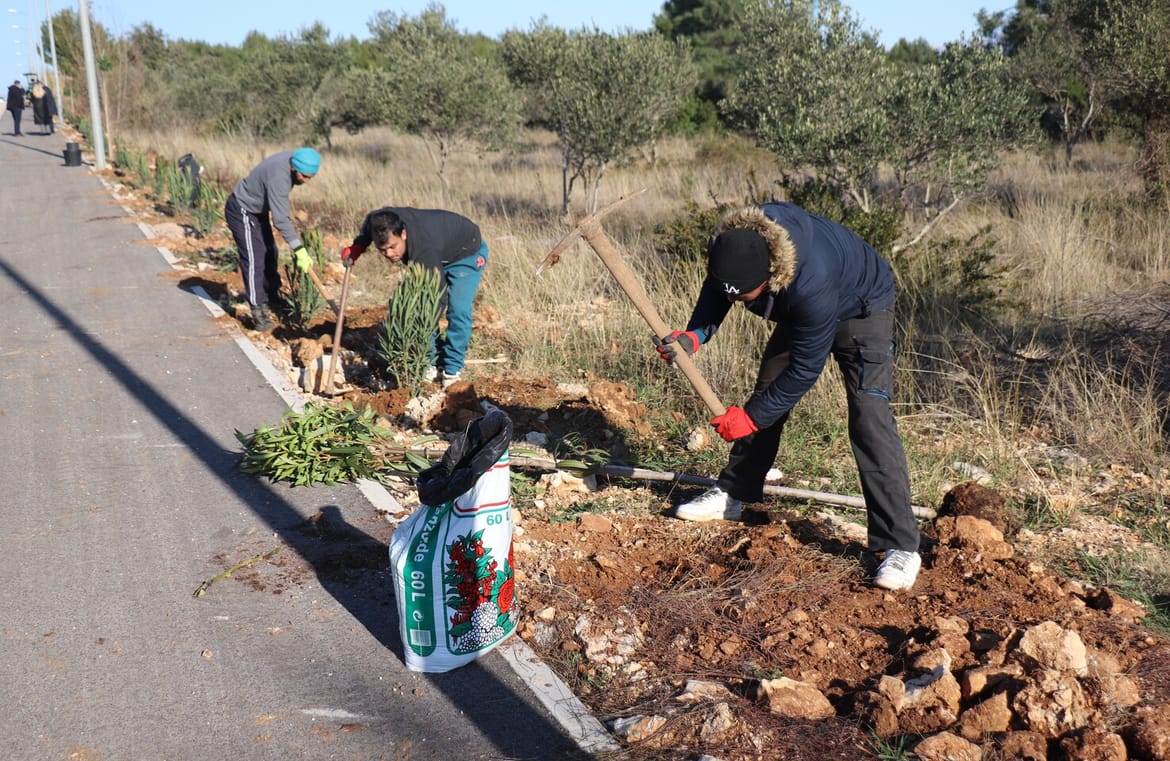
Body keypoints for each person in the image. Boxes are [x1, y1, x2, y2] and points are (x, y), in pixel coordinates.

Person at [656, 202, 923, 590]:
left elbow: (804, 370)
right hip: (803, 301)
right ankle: (734, 492)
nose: (741, 304)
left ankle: (901, 545)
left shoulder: (811, 279)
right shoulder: (734, 245)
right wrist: (696, 334)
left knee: (869, 416)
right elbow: (719, 289)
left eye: (747, 297)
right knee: (767, 391)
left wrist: (749, 419)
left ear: (771, 275)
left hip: (861, 307)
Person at [341, 207, 487, 386]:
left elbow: (437, 298)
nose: (389, 254)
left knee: (457, 310)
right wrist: (359, 245)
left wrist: (417, 327)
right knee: (420, 307)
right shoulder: (382, 222)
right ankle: (433, 362)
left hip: (466, 254)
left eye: (393, 247)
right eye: (382, 250)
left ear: (403, 234)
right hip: (439, 249)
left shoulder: (423, 248)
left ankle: (452, 370)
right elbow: (371, 218)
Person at [223, 147, 321, 330]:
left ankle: (272, 296)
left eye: (311, 177)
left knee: (270, 252)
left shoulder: (295, 160)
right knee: (254, 258)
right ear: (294, 168)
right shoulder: (279, 177)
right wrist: (299, 249)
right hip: (242, 209)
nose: (306, 181)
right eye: (304, 176)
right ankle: (258, 310)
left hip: (258, 211)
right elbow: (281, 219)